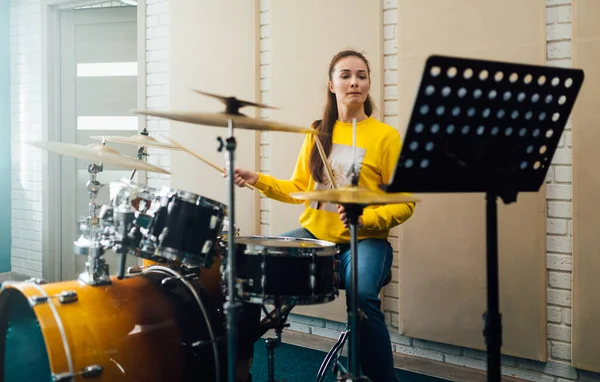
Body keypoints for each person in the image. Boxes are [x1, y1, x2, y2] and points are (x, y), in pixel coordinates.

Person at [232, 49, 415, 382]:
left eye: (361, 75)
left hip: (366, 241)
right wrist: (258, 179)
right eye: (345, 75)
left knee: (360, 294)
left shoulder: (386, 137)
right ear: (332, 85)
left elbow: (405, 204)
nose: (354, 82)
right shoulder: (317, 132)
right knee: (249, 266)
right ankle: (240, 366)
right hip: (314, 237)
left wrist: (366, 219)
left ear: (369, 83)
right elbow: (297, 188)